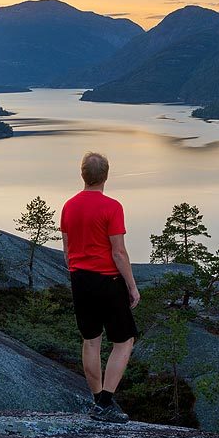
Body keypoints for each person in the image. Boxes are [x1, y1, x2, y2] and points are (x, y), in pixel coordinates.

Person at [59, 152, 141, 423]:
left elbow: (67, 250)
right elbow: (118, 252)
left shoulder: (69, 206)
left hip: (80, 280)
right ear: (105, 175)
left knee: (91, 340)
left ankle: (97, 401)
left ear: (83, 174)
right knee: (124, 340)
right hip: (108, 281)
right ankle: (106, 401)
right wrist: (131, 286)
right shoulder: (112, 207)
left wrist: (76, 275)